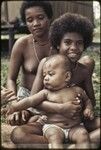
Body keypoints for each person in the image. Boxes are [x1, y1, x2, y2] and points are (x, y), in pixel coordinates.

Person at [10, 13, 100, 148]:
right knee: (18, 134)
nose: (74, 47)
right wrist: (61, 108)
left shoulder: (84, 70)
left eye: (79, 43)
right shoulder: (46, 64)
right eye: (67, 42)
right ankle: (70, 144)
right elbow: (33, 102)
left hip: (76, 122)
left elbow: (91, 100)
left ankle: (67, 144)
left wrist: (86, 108)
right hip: (50, 121)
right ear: (58, 44)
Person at [2, 54, 94, 149]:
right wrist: (14, 107)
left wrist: (88, 109)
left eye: (50, 74)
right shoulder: (45, 93)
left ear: (67, 76)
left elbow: (88, 101)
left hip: (75, 127)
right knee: (54, 138)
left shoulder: (77, 90)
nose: (45, 78)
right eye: (44, 75)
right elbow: (30, 100)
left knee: (83, 135)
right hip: (54, 127)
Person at [6, 1, 55, 125]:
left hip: (53, 97)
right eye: (30, 20)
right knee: (18, 120)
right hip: (26, 96)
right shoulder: (22, 44)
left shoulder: (59, 43)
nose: (36, 24)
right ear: (25, 23)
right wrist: (14, 103)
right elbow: (11, 78)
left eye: (40, 18)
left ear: (49, 17)